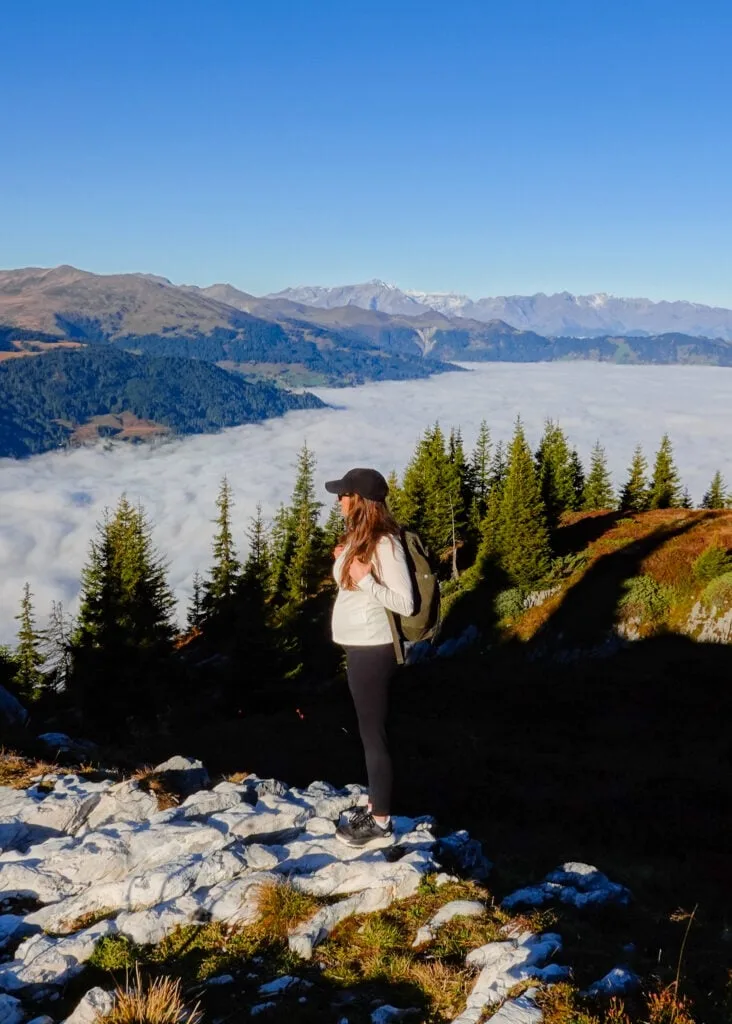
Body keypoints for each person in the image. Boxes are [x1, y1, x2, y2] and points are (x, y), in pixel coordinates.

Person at [324, 466, 414, 849]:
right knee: (368, 732)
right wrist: (345, 562)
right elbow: (356, 588)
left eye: (344, 495)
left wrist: (364, 578)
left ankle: (380, 821)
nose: (338, 501)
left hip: (374, 651)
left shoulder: (385, 543)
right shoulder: (361, 540)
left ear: (360, 501)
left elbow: (405, 603)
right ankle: (375, 804)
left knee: (374, 735)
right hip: (358, 647)